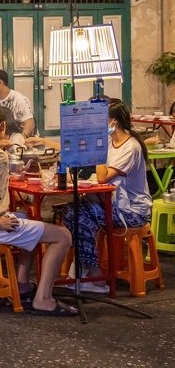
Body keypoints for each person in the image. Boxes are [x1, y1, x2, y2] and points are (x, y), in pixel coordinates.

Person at [0, 103, 76, 316]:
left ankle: (22, 284)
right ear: (2, 127)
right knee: (63, 236)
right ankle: (44, 299)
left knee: (25, 217)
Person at [61, 99, 153, 293]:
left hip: (132, 212)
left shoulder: (131, 147)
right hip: (112, 205)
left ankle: (95, 275)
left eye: (98, 122)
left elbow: (102, 177)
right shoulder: (111, 142)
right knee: (71, 210)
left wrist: (96, 144)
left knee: (78, 214)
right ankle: (86, 270)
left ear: (113, 123)